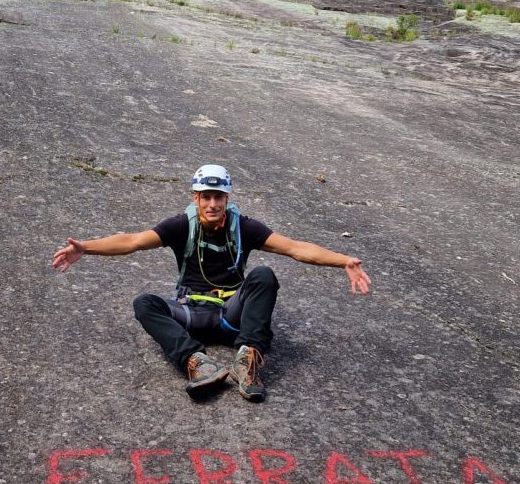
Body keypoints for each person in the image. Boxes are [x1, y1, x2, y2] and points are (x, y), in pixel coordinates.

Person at [53, 164, 371, 402]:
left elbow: (296, 248)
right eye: (206, 197)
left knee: (263, 276)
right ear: (196, 197)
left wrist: (342, 260)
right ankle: (196, 361)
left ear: (227, 197)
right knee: (144, 303)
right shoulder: (181, 226)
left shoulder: (243, 227)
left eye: (218, 196)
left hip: (232, 315)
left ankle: (248, 359)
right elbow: (133, 241)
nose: (212, 204)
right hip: (192, 313)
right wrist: (87, 247)